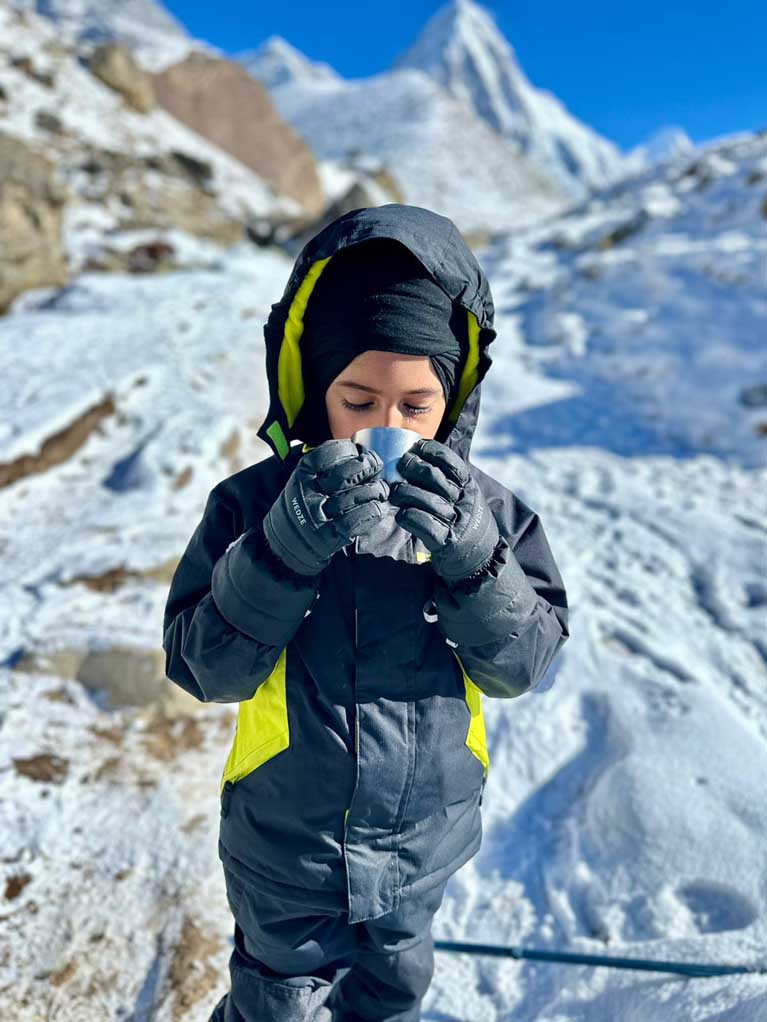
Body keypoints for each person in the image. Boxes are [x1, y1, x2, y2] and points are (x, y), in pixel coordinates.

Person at [162, 203, 570, 1022]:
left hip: (425, 846)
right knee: (273, 1005)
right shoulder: (253, 504)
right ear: (314, 389)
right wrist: (281, 552)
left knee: (388, 1002)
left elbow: (520, 665)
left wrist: (472, 556)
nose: (387, 429)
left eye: (416, 406)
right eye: (357, 398)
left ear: (450, 403)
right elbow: (203, 668)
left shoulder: (489, 513)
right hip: (286, 847)